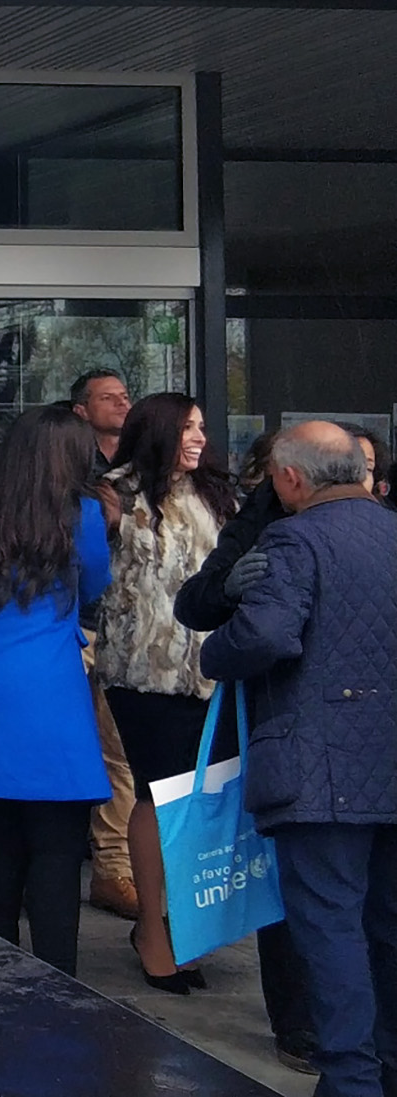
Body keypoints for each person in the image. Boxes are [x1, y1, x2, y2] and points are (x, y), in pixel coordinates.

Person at [200, 422, 397, 1097]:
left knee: (331, 929)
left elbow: (264, 636)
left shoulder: (294, 538)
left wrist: (215, 647)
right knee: (387, 926)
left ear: (291, 479)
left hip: (321, 774)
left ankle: (351, 1079)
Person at [0, 406, 113, 976]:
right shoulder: (81, 517)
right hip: (47, 686)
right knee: (58, 846)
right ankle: (57, 975)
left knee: (1, 836)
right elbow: (98, 583)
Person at [175, 425, 319, 1076]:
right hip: (275, 723)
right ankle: (299, 1026)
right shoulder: (258, 517)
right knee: (284, 884)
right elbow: (196, 603)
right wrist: (232, 587)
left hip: (352, 731)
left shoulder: (371, 527)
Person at [92, 393, 237, 993]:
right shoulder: (112, 492)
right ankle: (152, 926)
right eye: (188, 428)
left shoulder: (217, 493)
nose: (200, 438)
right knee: (156, 795)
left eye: (203, 427)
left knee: (201, 799)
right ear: (159, 431)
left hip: (212, 670)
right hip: (140, 674)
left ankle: (189, 923)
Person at [71, 366, 140, 920]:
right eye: (107, 397)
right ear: (81, 411)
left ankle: (114, 867)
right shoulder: (70, 473)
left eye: (125, 396)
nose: (121, 403)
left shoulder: (144, 470)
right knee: (75, 741)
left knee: (118, 747)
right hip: (83, 621)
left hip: (133, 626)